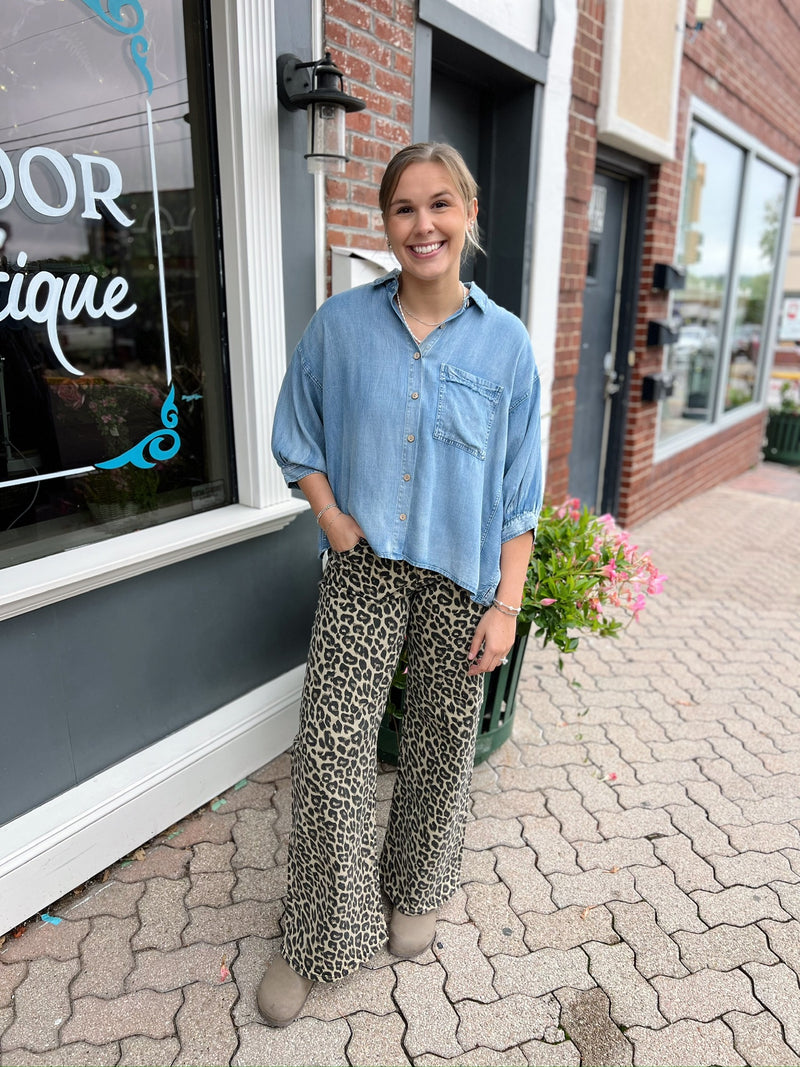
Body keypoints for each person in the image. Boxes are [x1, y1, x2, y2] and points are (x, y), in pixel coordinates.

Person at [261, 141, 543, 1027]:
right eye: (403, 209)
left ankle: (413, 887)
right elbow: (295, 429)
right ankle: (322, 931)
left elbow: (518, 490)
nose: (422, 226)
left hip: (461, 579)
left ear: (467, 214)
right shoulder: (340, 327)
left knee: (439, 743)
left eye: (439, 206)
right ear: (385, 224)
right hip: (363, 570)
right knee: (335, 749)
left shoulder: (507, 345)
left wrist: (507, 602)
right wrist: (331, 517)